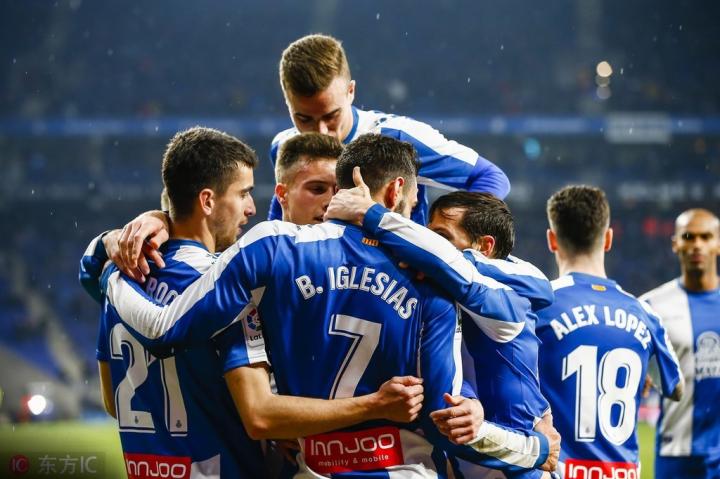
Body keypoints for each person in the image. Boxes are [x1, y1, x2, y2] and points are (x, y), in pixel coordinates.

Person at [101, 134, 554, 477]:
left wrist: (108, 266)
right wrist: (526, 444)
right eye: (414, 203)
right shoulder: (429, 279)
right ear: (396, 192)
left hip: (314, 468)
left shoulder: (271, 249)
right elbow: (443, 418)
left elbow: (168, 328)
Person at [80, 127, 425, 478]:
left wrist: (120, 240)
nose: (251, 208)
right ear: (208, 201)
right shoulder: (233, 288)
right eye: (243, 193)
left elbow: (113, 402)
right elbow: (261, 415)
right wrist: (352, 411)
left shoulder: (128, 279)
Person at [325, 177, 559, 478]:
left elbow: (460, 269)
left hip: (519, 471)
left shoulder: (506, 303)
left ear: (484, 247)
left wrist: (369, 212)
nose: (427, 245)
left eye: (441, 237)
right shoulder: (441, 304)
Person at [268, 33, 510, 225]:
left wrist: (450, 242)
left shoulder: (396, 137)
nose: (321, 131)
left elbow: (491, 178)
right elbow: (280, 213)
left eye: (331, 116)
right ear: (287, 104)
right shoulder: (284, 146)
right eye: (304, 118)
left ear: (350, 91)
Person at [536, 185, 684, 479]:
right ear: (608, 239)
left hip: (559, 472)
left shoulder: (537, 305)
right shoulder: (644, 314)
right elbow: (676, 388)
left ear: (552, 240)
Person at [640, 208, 720, 479]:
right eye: (688, 236)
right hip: (675, 453)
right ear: (675, 244)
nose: (697, 244)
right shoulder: (650, 307)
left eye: (706, 237)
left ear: (718, 243)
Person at [274, 132, 342, 225]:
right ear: (282, 194)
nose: (331, 203)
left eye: (339, 192)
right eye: (317, 189)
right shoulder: (262, 234)